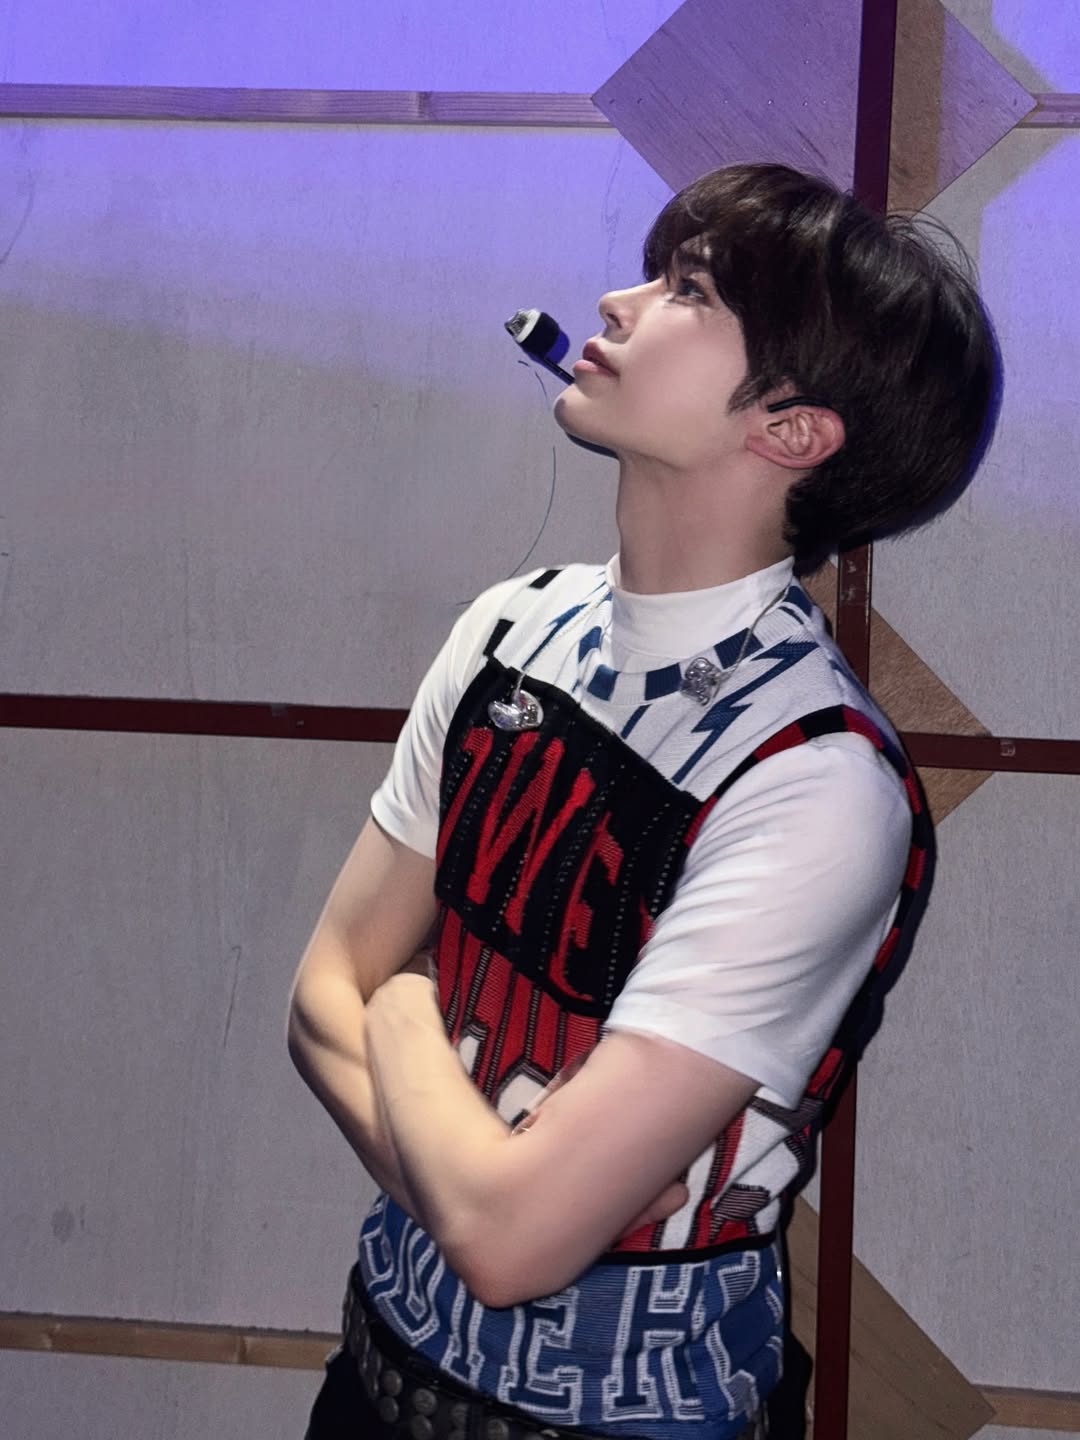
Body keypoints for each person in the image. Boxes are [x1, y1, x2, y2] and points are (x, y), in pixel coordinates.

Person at [288, 163, 996, 1440]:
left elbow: (507, 1236)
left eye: (688, 291)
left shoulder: (816, 777)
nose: (618, 302)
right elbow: (317, 998)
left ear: (793, 430)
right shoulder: (511, 626)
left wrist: (402, 1010)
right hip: (375, 1369)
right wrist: (482, 1180)